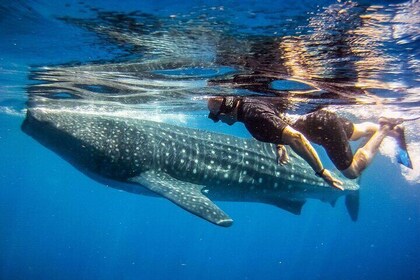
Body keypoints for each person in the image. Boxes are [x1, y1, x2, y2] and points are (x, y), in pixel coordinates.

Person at [207, 96, 408, 190]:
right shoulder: (249, 102)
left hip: (322, 129)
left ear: (226, 112)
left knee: (351, 171)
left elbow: (297, 138)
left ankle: (383, 128)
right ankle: (392, 131)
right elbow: (276, 118)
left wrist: (321, 172)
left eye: (216, 118)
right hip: (322, 118)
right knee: (356, 132)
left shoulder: (252, 119)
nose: (218, 121)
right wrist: (280, 145)